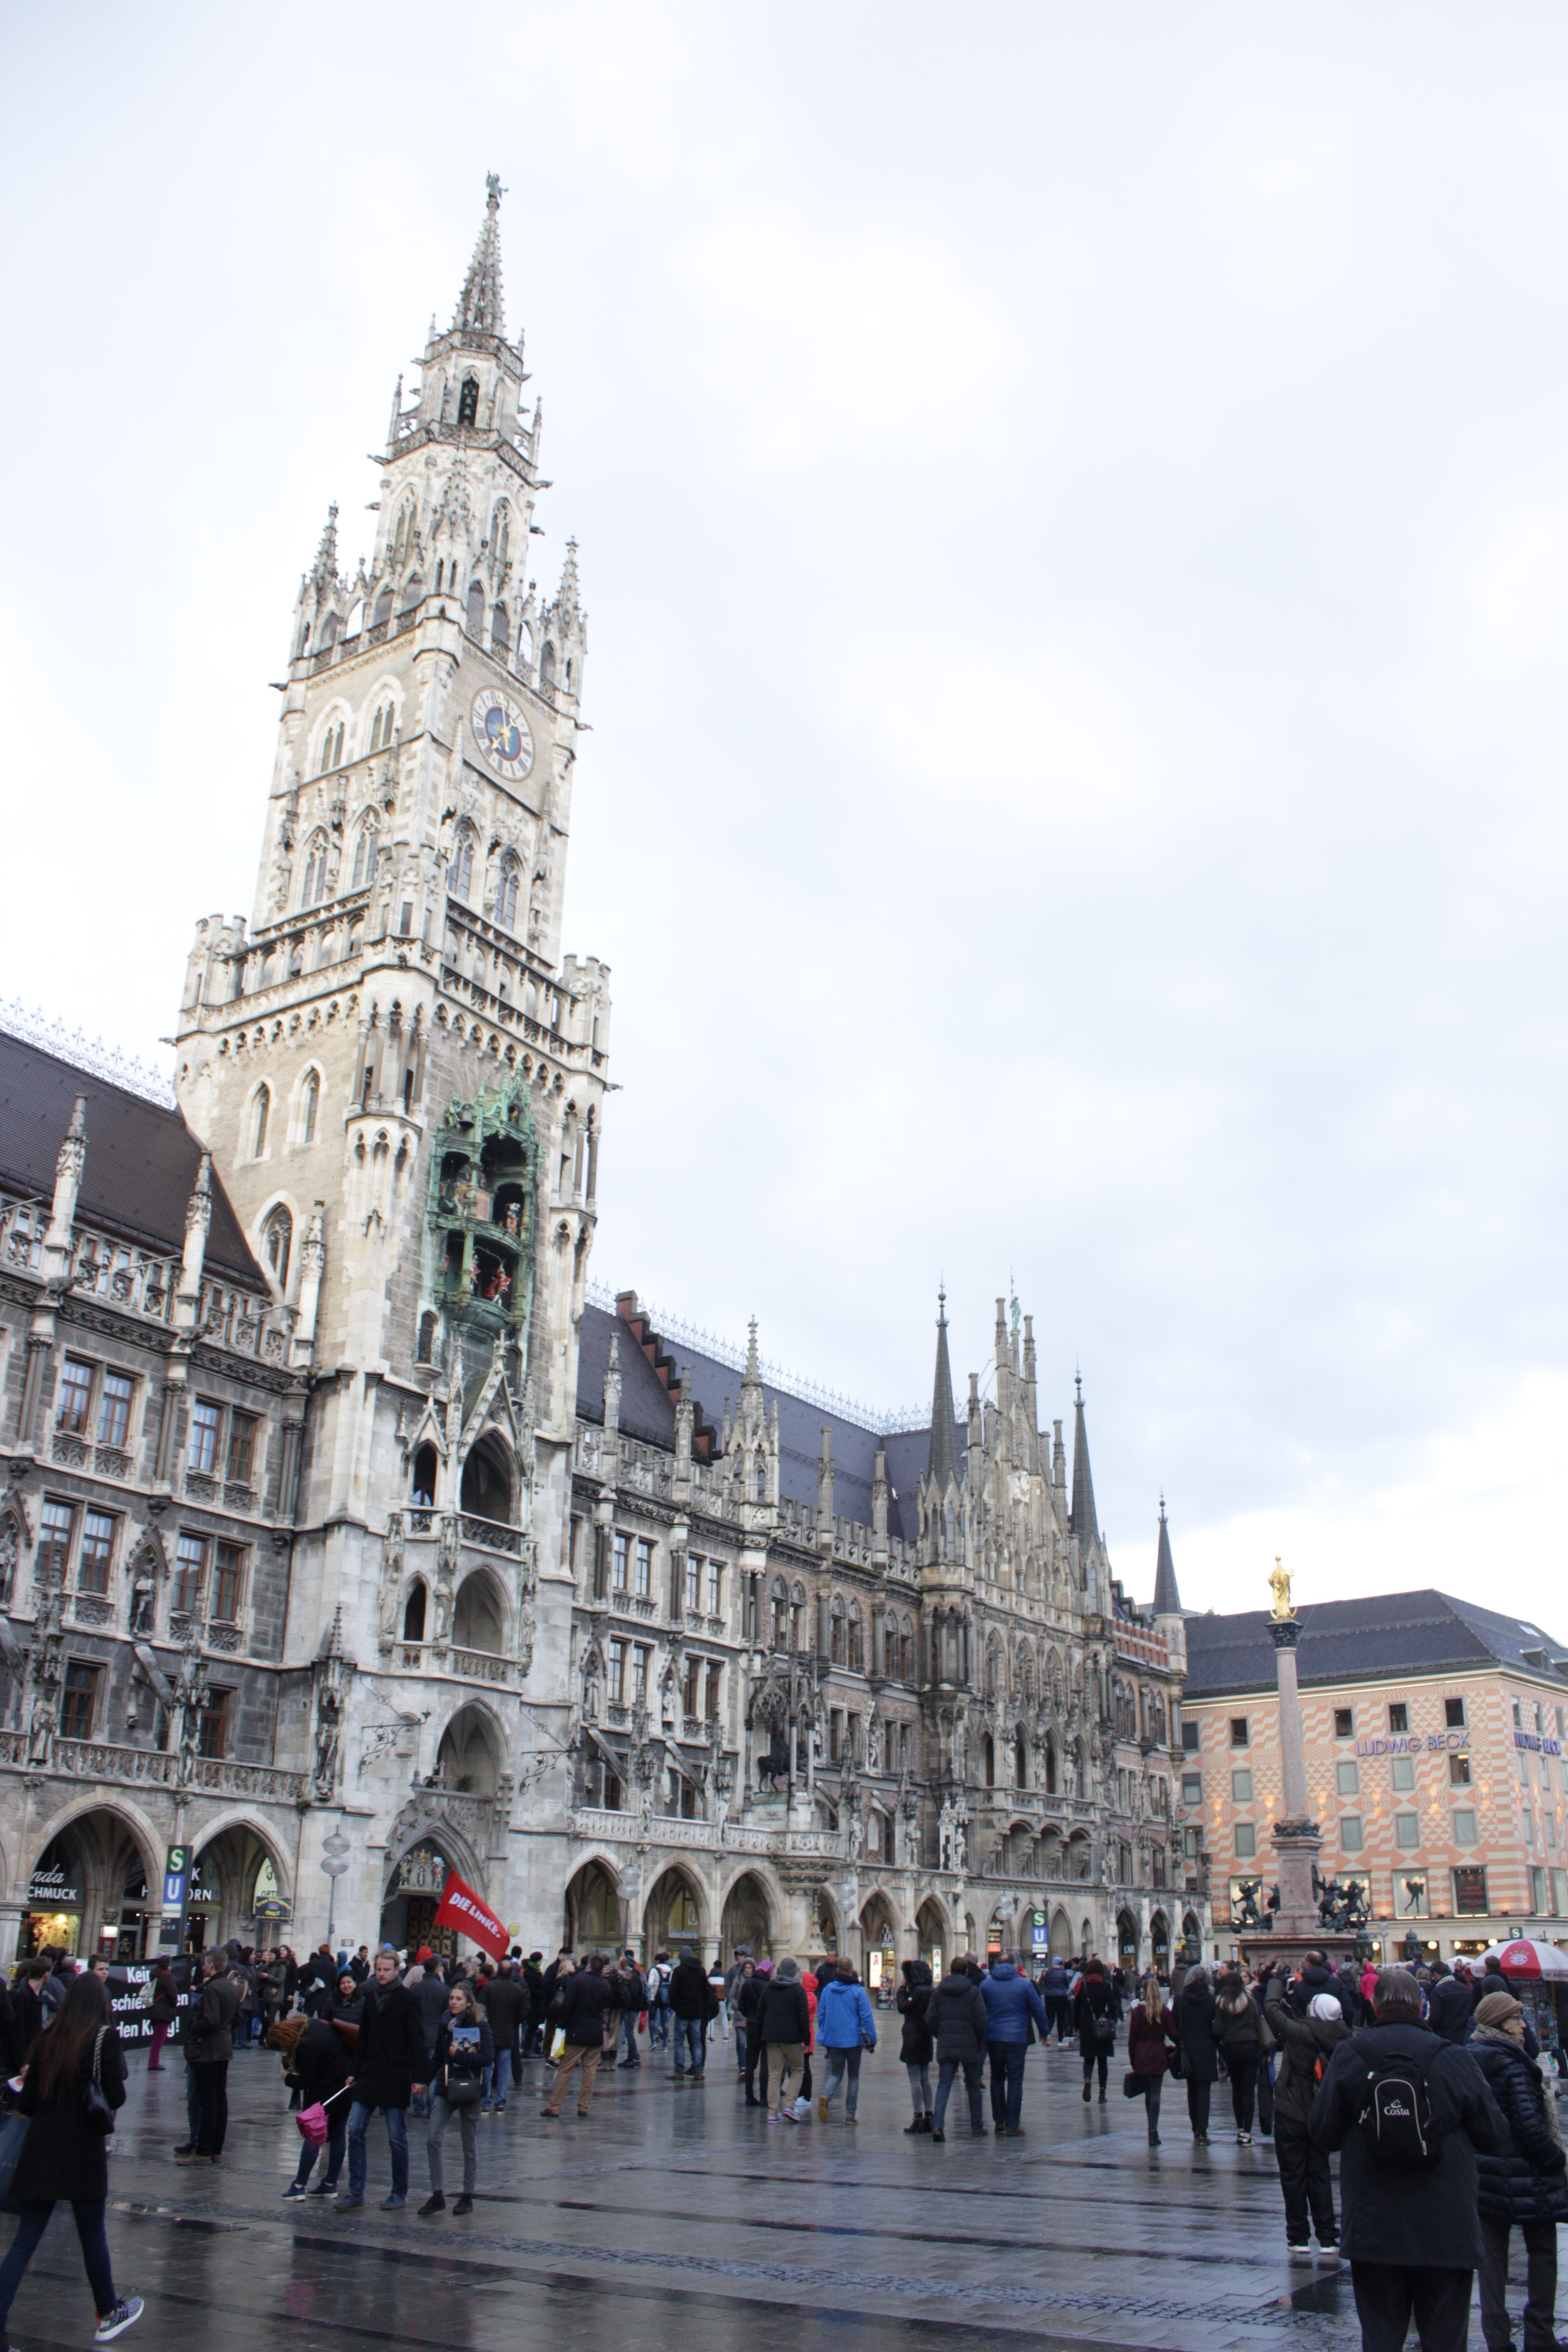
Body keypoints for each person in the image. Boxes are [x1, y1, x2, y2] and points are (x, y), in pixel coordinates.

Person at [1309, 1967, 1507, 2352]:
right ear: (1422, 2006)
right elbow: (1494, 2134)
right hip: (1446, 2227)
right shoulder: (1453, 2056)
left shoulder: (1352, 2053)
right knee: (1446, 2339)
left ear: (1374, 2003)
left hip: (1375, 2225)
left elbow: (1322, 2133)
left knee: (1382, 2337)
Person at [0, 1972, 141, 2345]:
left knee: (25, 2239)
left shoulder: (47, 2039)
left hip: (41, 2149)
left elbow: (27, 2104)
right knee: (91, 2232)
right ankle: (108, 2313)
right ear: (101, 2004)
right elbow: (117, 2097)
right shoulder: (103, 2039)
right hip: (83, 2149)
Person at [1466, 1987, 1568, 2352]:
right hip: (1528, 2175)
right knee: (1542, 2252)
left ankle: (1497, 2339)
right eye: (1515, 2018)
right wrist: (1556, 2159)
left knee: (1491, 2263)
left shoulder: (1468, 2056)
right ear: (1499, 2022)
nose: (1522, 2025)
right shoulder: (1512, 2062)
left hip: (1484, 2174)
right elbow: (1529, 2124)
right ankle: (1539, 2335)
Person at [1264, 1973, 1349, 2258]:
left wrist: (1275, 1981)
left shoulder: (1301, 2034)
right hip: (1322, 2115)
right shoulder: (1343, 2037)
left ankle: (1298, 2236)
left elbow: (1272, 2011)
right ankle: (1328, 2237)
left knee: (1293, 2175)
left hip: (1291, 2112)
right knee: (1320, 2174)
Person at [339, 1949, 427, 2210]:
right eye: (378, 1969)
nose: (381, 1974)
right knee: (355, 2129)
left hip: (395, 2074)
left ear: (397, 1970)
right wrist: (354, 2071)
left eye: (386, 1970)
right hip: (368, 2072)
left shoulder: (408, 1999)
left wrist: (419, 2078)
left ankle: (399, 2192)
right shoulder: (369, 1996)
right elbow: (363, 2037)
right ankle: (356, 2191)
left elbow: (417, 2041)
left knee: (396, 2137)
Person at [420, 1983, 493, 2216]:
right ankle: (438, 2194)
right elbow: (439, 2058)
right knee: (433, 2137)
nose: (454, 2002)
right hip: (447, 2087)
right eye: (452, 1998)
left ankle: (467, 2196)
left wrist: (459, 2055)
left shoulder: (480, 2025)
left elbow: (487, 2058)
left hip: (470, 2088)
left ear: (469, 2003)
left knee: (468, 2144)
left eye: (459, 1999)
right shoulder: (445, 2024)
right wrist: (423, 2081)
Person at [270, 2013, 353, 2198]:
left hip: (326, 2092)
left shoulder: (305, 2044)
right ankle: (331, 2184)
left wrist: (287, 2078)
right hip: (346, 2086)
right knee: (339, 2133)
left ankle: (299, 2187)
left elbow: (306, 2080)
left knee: (313, 2136)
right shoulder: (313, 2024)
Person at [178, 1948, 240, 2166]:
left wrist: (194, 2026)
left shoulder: (213, 1988)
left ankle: (204, 2150)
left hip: (208, 2050)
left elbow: (210, 2020)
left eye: (205, 1963)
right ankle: (216, 2149)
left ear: (212, 1965)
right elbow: (237, 2019)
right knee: (219, 2098)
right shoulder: (231, 1987)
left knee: (209, 2100)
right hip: (223, 2047)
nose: (202, 1966)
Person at [979, 1950, 1049, 2136]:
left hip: (993, 2037)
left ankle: (999, 2121)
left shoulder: (985, 1985)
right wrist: (1044, 2033)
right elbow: (1038, 2010)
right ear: (1014, 1965)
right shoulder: (1024, 1985)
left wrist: (980, 2036)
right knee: (1015, 2080)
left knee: (996, 2077)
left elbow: (978, 2012)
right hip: (1017, 2038)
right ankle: (1012, 2124)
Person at [540, 1953, 618, 2119]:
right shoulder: (605, 1985)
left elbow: (567, 2005)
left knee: (565, 2070)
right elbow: (608, 2004)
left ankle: (554, 2107)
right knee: (590, 2071)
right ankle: (584, 2107)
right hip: (596, 2033)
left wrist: (562, 2026)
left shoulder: (579, 1981)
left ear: (589, 1966)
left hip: (577, 2031)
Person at [928, 1955, 990, 2141]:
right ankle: (977, 2126)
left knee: (944, 2084)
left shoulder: (938, 1992)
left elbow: (930, 2019)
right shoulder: (973, 1992)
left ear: (951, 1970)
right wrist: (979, 2040)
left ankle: (938, 2125)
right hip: (969, 2043)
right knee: (972, 2084)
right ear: (967, 1972)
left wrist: (941, 2034)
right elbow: (982, 2020)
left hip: (947, 2043)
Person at [815, 1959, 876, 2126]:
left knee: (836, 2073)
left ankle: (826, 2096)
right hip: (853, 2040)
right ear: (852, 1970)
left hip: (834, 2040)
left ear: (838, 1971)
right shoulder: (858, 1991)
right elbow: (866, 2017)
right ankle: (850, 2115)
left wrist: (825, 2032)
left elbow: (822, 2014)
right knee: (854, 2076)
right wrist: (873, 2038)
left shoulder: (828, 1990)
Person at [1215, 1968, 1272, 2143]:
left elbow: (1217, 2029)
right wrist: (1266, 2051)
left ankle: (1239, 2128)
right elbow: (1260, 2025)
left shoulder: (1220, 2003)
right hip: (1251, 2047)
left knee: (1237, 2089)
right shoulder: (1251, 2001)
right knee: (1248, 2091)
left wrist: (1222, 2043)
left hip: (1231, 2049)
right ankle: (1248, 2133)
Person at [1127, 1973, 1178, 2146]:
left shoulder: (1137, 2012)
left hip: (1141, 2055)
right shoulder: (1164, 2012)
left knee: (1148, 2094)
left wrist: (1133, 2060)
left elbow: (1132, 2040)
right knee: (1156, 2093)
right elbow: (1174, 2035)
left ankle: (1151, 2128)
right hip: (1158, 2055)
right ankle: (1153, 2130)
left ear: (1143, 1991)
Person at [758, 1956, 811, 2123]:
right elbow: (804, 2017)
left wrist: (761, 2035)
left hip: (772, 2038)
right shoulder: (798, 1990)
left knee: (774, 2075)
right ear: (794, 1973)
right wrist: (806, 2039)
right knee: (797, 2071)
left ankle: (773, 2114)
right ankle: (789, 2106)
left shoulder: (769, 1988)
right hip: (793, 2039)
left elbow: (761, 2012)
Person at [1175, 1961, 1220, 2143]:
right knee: (1204, 2091)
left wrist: (1180, 2041)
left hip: (1188, 2049)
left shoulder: (1180, 1998)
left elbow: (1174, 2023)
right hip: (1207, 2049)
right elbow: (1217, 2026)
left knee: (1191, 2090)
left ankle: (1195, 2128)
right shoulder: (1211, 2000)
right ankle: (1203, 2131)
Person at [482, 1959, 528, 2108]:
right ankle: (501, 2101)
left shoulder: (489, 1987)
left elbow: (480, 2010)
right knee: (503, 2070)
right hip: (509, 2034)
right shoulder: (518, 1990)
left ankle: (486, 2101)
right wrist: (512, 2023)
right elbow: (523, 2014)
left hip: (489, 2033)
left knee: (488, 2069)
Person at [897, 1959, 936, 2133]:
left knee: (914, 2078)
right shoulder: (932, 1990)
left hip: (913, 2036)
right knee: (925, 2078)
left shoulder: (918, 1991)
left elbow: (903, 2007)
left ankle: (918, 2117)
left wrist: (901, 1989)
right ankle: (929, 2115)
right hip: (926, 2036)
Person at [667, 1946, 714, 2079]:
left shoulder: (679, 1971)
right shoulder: (701, 1971)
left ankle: (679, 2071)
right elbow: (706, 1992)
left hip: (682, 2012)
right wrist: (701, 2007)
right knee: (697, 2041)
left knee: (679, 2041)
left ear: (681, 1957)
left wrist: (676, 2007)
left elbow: (673, 1993)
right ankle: (698, 2071)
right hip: (696, 2013)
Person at [1075, 1958, 1116, 2105]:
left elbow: (1077, 2007)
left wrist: (1076, 2026)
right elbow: (1112, 2007)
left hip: (1087, 2025)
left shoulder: (1084, 1986)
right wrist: (1109, 2017)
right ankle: (1102, 2093)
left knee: (1089, 2058)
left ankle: (1087, 2079)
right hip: (1102, 2026)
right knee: (1103, 2061)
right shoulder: (1105, 1986)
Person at [740, 1960, 771, 2107]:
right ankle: (764, 2097)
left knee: (751, 2063)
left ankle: (749, 2096)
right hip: (766, 2026)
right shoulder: (770, 1986)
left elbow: (741, 2006)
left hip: (752, 2025)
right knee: (765, 2063)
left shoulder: (748, 1984)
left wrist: (750, 2016)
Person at [612, 1950, 646, 2072]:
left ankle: (633, 2057)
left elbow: (633, 1994)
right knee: (629, 2032)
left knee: (629, 2033)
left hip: (632, 2008)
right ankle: (634, 2056)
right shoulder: (637, 1975)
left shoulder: (633, 1976)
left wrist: (626, 2002)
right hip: (633, 2007)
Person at [147, 1961, 178, 2073]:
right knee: (159, 2039)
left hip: (154, 2010)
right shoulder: (166, 1976)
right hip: (163, 2012)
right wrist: (175, 2003)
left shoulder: (154, 1974)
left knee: (156, 2037)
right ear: (168, 1965)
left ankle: (154, 2061)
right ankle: (153, 2063)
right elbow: (172, 1994)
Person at [645, 1951, 672, 2054]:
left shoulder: (654, 1970)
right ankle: (665, 2046)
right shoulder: (670, 1970)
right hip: (665, 2000)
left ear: (658, 1960)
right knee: (665, 2022)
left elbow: (650, 1984)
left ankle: (654, 2041)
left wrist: (651, 1991)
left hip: (654, 1999)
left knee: (652, 2020)